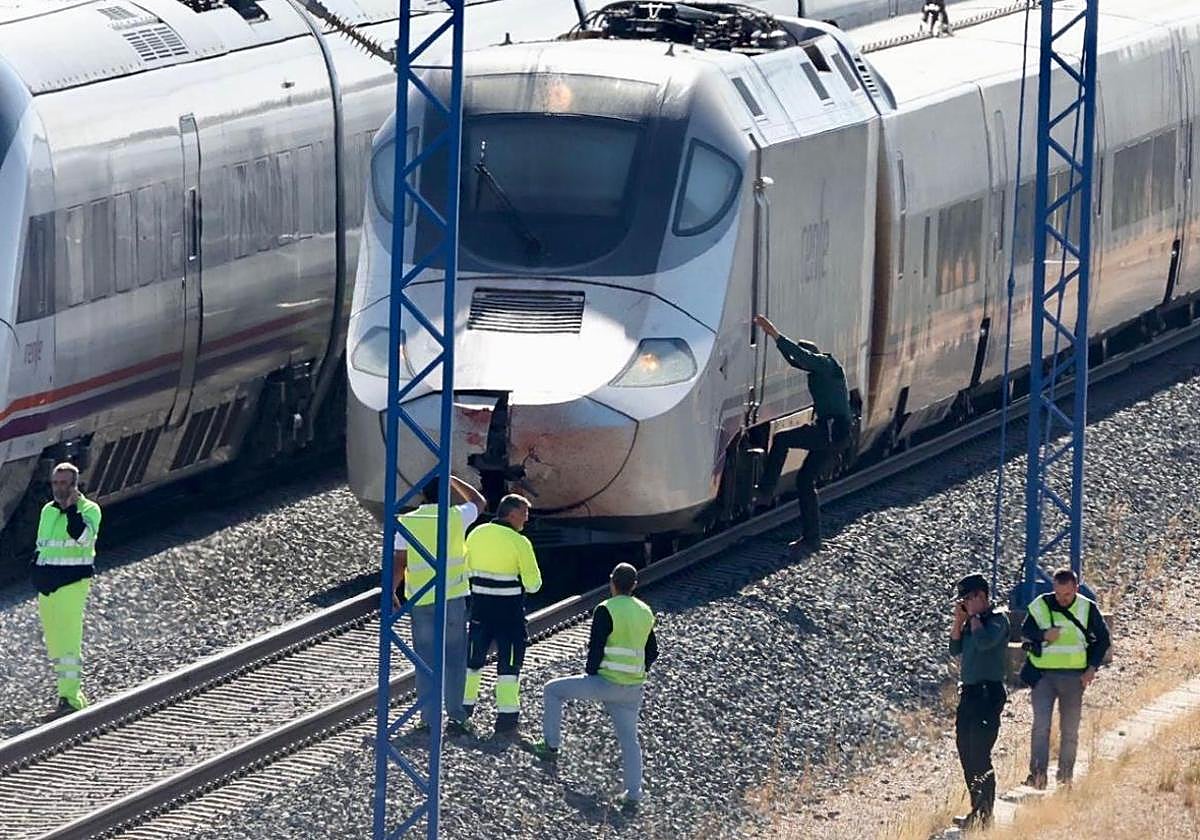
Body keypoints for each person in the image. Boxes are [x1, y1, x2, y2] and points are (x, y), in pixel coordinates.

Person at [528, 562, 658, 809]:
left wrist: (591, 673)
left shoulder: (606, 608)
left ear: (612, 582)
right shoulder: (645, 611)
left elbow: (596, 646)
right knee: (630, 741)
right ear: (634, 585)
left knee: (552, 690)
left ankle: (551, 746)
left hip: (605, 682)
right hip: (632, 689)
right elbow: (652, 651)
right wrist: (638, 672)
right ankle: (633, 795)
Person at [392, 473, 486, 736]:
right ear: (447, 495)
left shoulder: (407, 522)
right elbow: (479, 500)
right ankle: (456, 715)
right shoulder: (457, 516)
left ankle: (428, 719)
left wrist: (390, 592)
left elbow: (400, 562)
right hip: (453, 598)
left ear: (422, 496)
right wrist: (453, 478)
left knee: (426, 661)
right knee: (455, 658)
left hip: (421, 600)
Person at [752, 314, 853, 554]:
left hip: (830, 431)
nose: (801, 365)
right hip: (835, 434)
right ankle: (812, 538)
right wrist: (780, 347)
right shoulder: (821, 369)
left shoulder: (824, 364)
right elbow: (795, 359)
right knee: (805, 481)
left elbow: (802, 357)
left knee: (782, 439)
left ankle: (766, 490)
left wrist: (773, 333)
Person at [1021, 567, 1111, 789]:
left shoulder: (1087, 608)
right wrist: (1043, 635)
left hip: (1074, 679)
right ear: (1053, 588)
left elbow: (1103, 640)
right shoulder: (1041, 604)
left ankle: (1065, 778)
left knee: (1069, 730)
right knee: (1041, 726)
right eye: (1059, 594)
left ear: (1076, 589)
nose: (1062, 599)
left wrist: (1092, 668)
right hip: (1043, 677)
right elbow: (1026, 629)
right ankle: (1038, 776)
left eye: (1068, 595)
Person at [462, 493, 542, 737]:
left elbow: (464, 571)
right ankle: (506, 719)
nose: (526, 520)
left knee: (473, 662)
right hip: (509, 616)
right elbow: (533, 584)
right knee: (509, 666)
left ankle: (462, 712)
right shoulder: (520, 542)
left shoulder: (476, 534)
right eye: (524, 514)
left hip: (480, 611)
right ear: (512, 514)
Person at [32, 462, 102, 716]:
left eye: (64, 483)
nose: (59, 488)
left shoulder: (89, 510)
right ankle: (69, 697)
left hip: (72, 584)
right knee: (55, 643)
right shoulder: (47, 511)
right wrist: (36, 573)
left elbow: (83, 539)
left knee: (68, 642)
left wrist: (72, 510)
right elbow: (43, 546)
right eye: (56, 483)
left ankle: (71, 699)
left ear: (75, 485)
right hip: (48, 586)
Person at [949, 573, 1010, 830]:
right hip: (970, 694)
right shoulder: (971, 623)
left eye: (967, 598)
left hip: (989, 693)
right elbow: (955, 649)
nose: (964, 602)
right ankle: (977, 809)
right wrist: (959, 620)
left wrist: (974, 617)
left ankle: (986, 815)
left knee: (981, 754)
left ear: (980, 597)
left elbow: (985, 643)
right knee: (966, 750)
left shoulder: (997, 620)